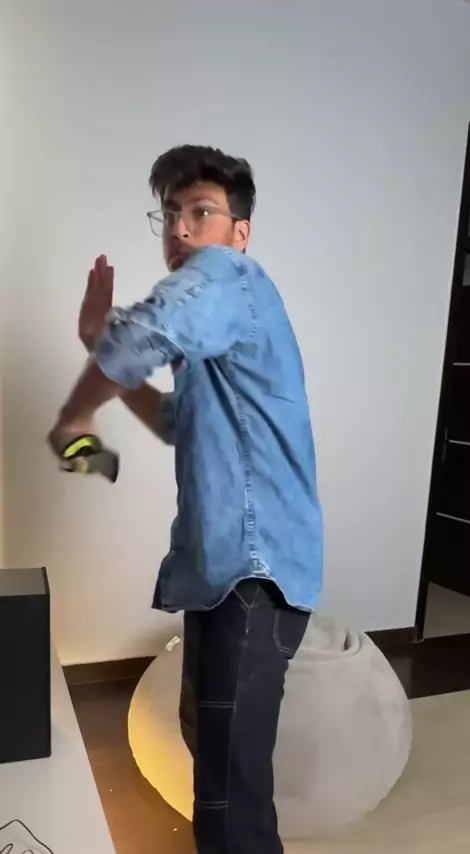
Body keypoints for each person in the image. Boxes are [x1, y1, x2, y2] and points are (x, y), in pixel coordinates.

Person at [50, 145, 323, 854]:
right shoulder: (217, 334)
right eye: (170, 214)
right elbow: (177, 420)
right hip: (224, 577)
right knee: (216, 760)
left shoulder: (229, 276)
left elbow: (141, 334)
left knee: (229, 804)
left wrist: (75, 417)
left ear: (240, 231)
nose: (180, 229)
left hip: (254, 577)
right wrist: (99, 344)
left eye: (201, 211)